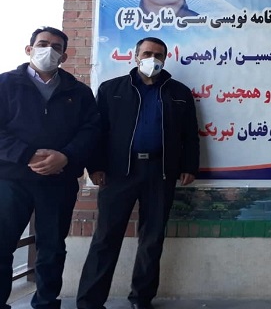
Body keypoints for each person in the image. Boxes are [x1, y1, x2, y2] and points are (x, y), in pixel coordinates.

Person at [76, 37, 200, 309]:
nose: (152, 59)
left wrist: (189, 166)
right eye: (147, 53)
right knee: (106, 237)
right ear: (135, 56)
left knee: (152, 239)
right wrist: (95, 167)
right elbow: (97, 131)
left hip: (161, 172)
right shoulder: (111, 89)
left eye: (158, 55)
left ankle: (141, 299)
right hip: (118, 172)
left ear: (165, 59)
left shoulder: (179, 92)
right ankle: (89, 301)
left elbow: (190, 134)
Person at [0, 27, 100, 309]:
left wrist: (66, 156)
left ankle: (45, 303)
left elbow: (91, 131)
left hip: (58, 181)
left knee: (52, 249)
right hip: (11, 180)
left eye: (56, 47)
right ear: (29, 49)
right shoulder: (5, 84)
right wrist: (27, 155)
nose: (49, 50)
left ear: (64, 56)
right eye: (42, 44)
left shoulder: (78, 92)